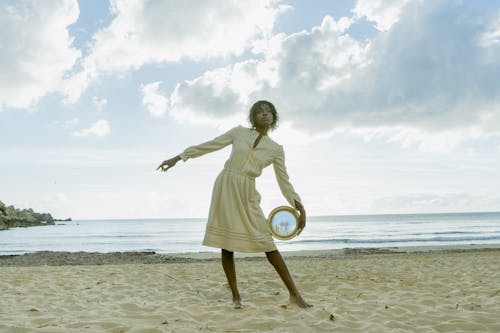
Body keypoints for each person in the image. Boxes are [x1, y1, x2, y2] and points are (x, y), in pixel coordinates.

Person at [157, 100, 312, 309]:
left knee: (267, 242)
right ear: (253, 117)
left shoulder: (276, 149)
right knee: (227, 243)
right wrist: (179, 157)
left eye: (268, 111)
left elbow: (284, 181)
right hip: (226, 185)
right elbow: (210, 145)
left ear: (274, 117)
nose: (264, 114)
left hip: (247, 191)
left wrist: (300, 208)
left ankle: (295, 295)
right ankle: (236, 296)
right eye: (259, 111)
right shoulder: (239, 132)